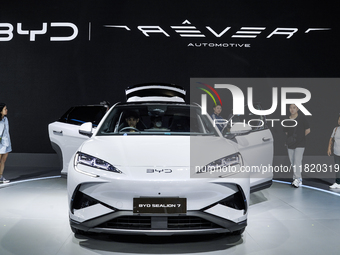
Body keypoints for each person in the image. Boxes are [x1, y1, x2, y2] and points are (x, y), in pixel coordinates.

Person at [284, 104, 310, 188]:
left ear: (297, 109)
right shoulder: (287, 119)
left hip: (300, 144)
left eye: (294, 108)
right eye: (291, 108)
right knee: (292, 161)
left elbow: (308, 130)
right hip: (291, 144)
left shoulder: (302, 118)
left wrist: (300, 137)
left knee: (297, 161)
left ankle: (297, 179)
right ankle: (298, 178)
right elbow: (286, 132)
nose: (292, 109)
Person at [0, 103, 12, 184]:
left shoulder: (6, 119)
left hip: (6, 143)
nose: (6, 110)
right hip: (0, 143)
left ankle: (0, 176)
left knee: (3, 161)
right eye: (5, 109)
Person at [327, 114, 340, 189]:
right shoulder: (335, 129)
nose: (339, 121)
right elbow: (331, 139)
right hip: (336, 152)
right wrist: (329, 148)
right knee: (337, 168)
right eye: (339, 119)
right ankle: (338, 183)